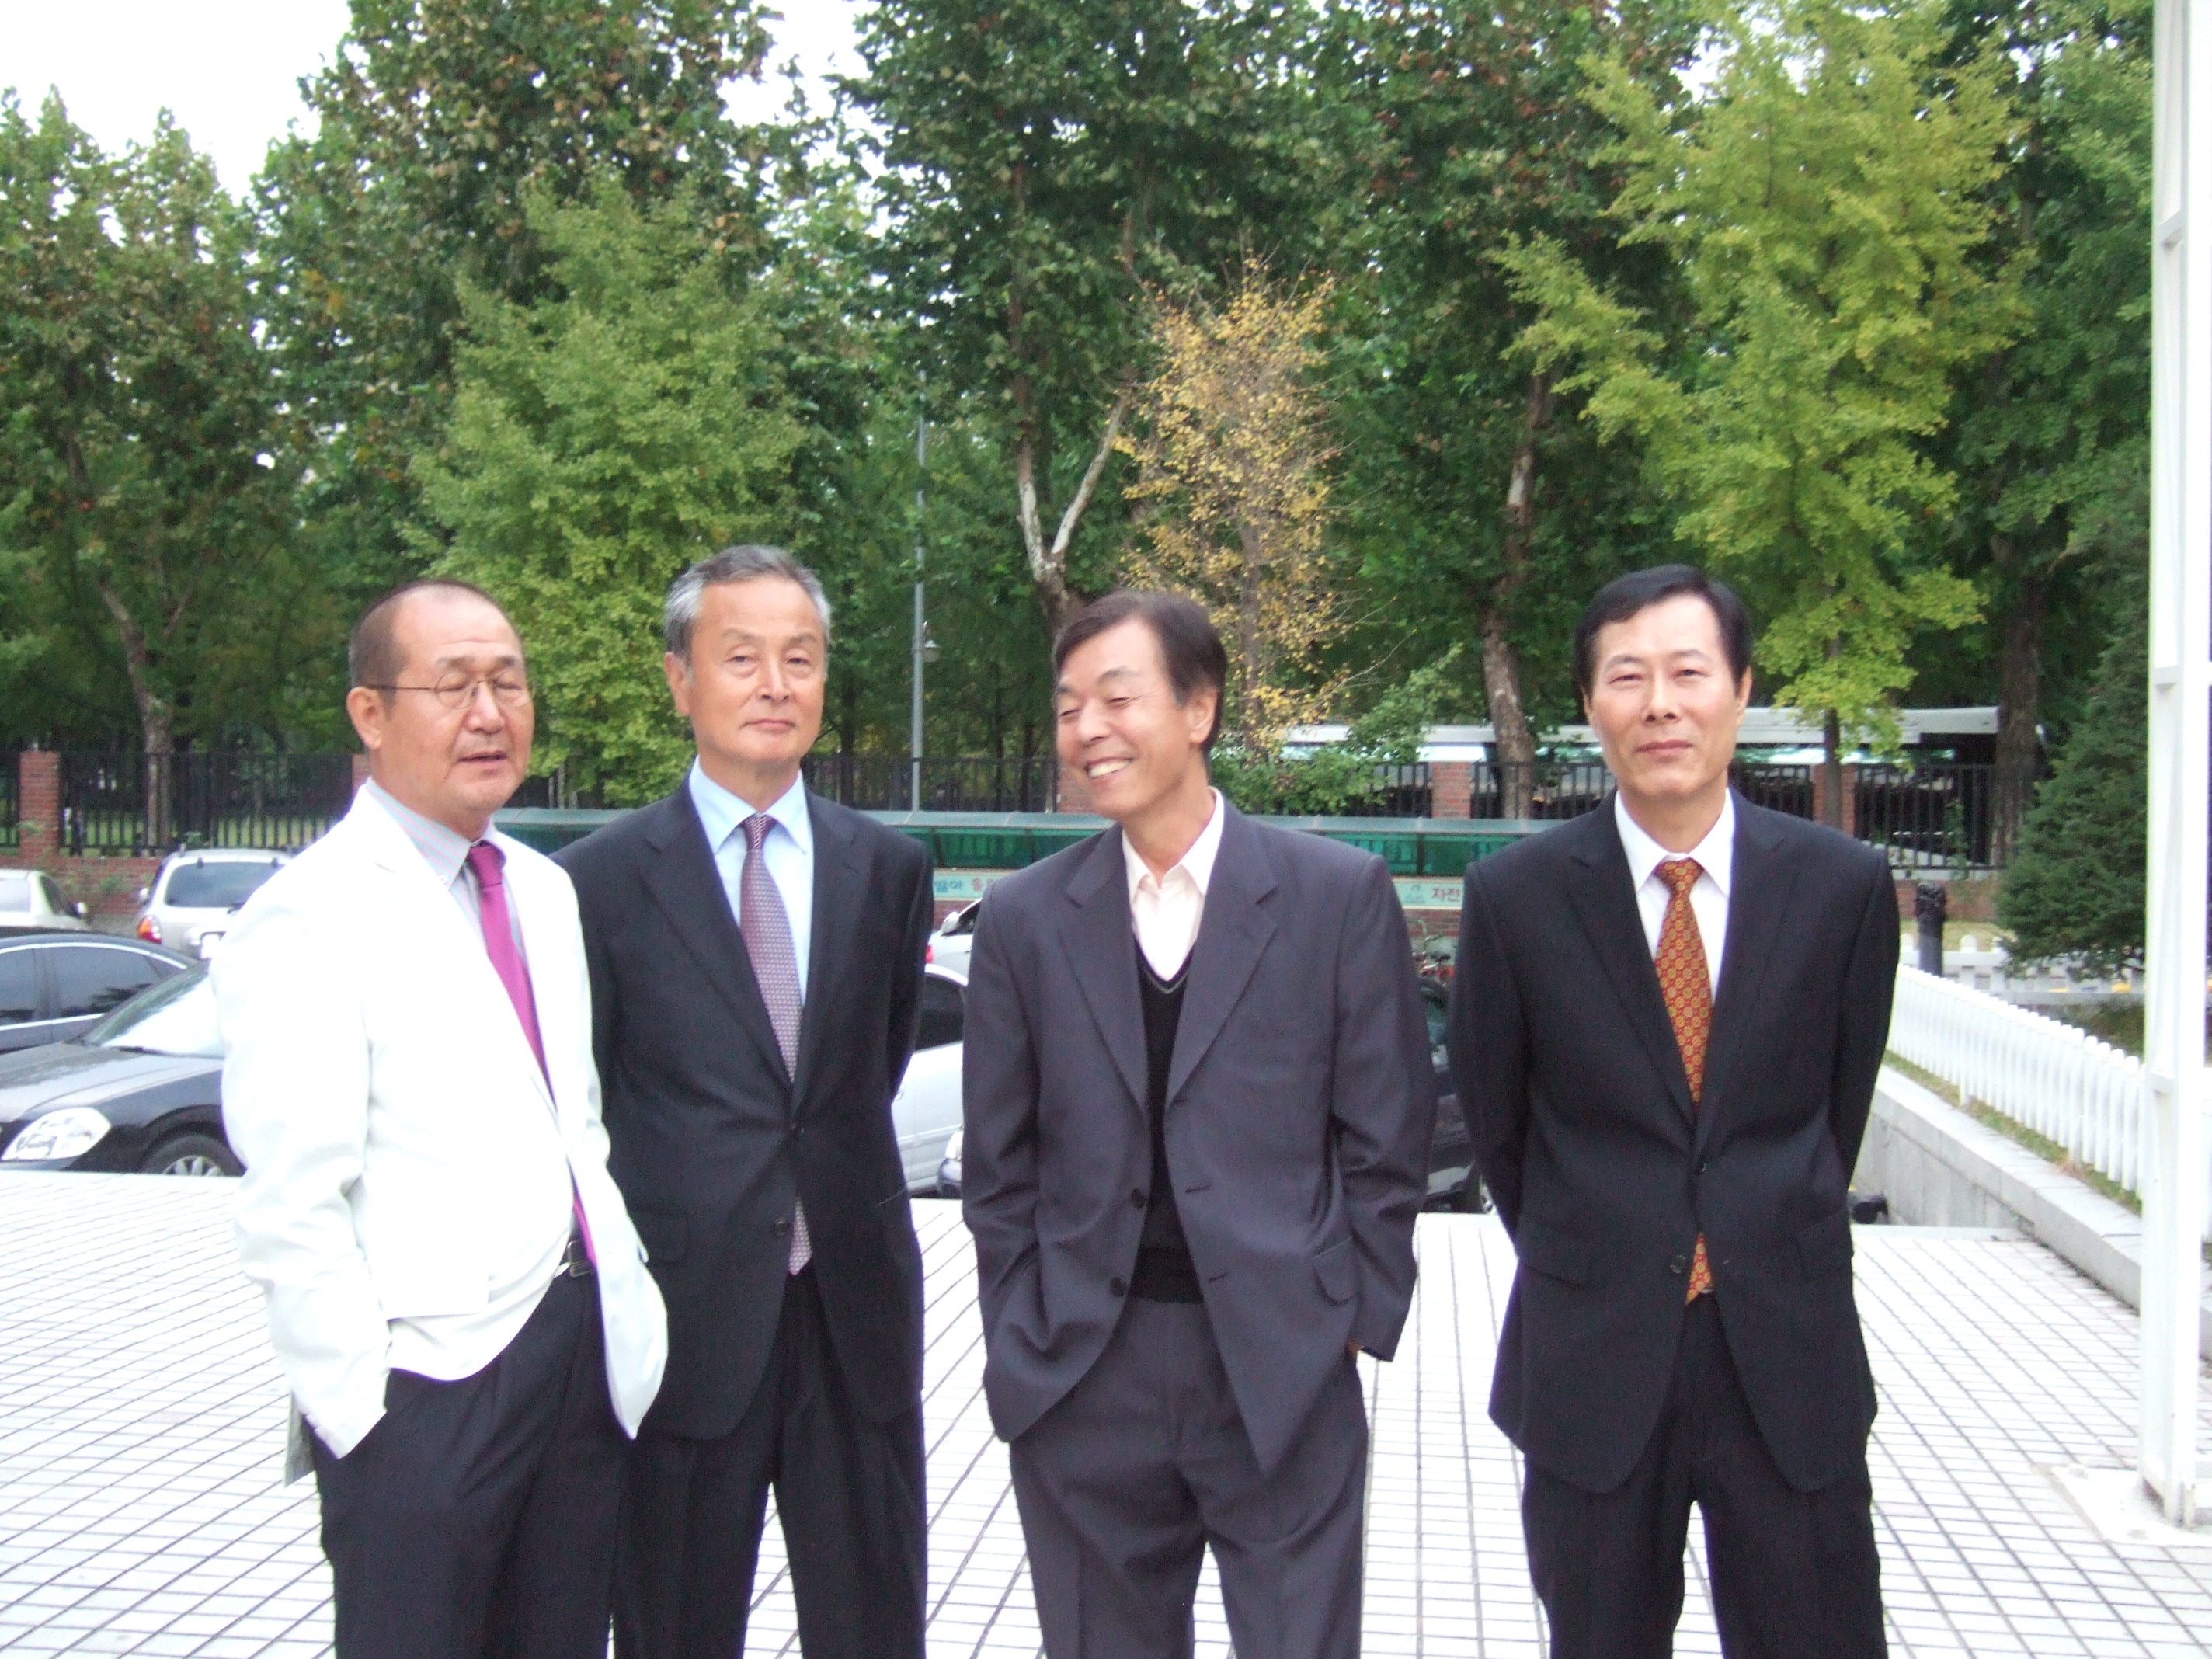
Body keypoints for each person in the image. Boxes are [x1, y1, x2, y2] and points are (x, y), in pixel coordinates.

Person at [962, 589, 1435, 1659]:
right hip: (1085, 1371)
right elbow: (999, 1164)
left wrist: (1348, 1317)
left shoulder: (1335, 896)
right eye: (1068, 707)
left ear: (1200, 708)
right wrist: (1022, 1331)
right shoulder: (1027, 918)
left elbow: (1386, 1139)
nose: (1088, 729)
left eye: (1117, 697)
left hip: (1282, 1366)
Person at [1449, 564, 1896, 1658]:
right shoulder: (1517, 900)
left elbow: (1835, 1111)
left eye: (1689, 673)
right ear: (1590, 704)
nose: (1660, 705)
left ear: (1740, 690)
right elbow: (1501, 1128)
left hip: (1785, 1353)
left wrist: (1750, 1222)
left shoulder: (1841, 888)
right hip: (1595, 1355)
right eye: (1627, 677)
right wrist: (1608, 1238)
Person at [217, 580, 668, 1659]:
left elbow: (575, 1121)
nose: (489, 713)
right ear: (370, 715)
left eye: (508, 683)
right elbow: (290, 1200)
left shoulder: (544, 889)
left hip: (581, 1360)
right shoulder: (309, 913)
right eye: (453, 685)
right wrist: (362, 1417)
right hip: (427, 1392)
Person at [556, 545, 935, 1659]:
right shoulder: (598, 881)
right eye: (741, 659)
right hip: (685, 1316)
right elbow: (591, 1097)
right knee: (673, 1626)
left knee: (873, 1625)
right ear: (680, 680)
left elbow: (866, 1072)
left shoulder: (888, 868)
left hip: (853, 1311)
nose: (775, 685)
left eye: (800, 659)